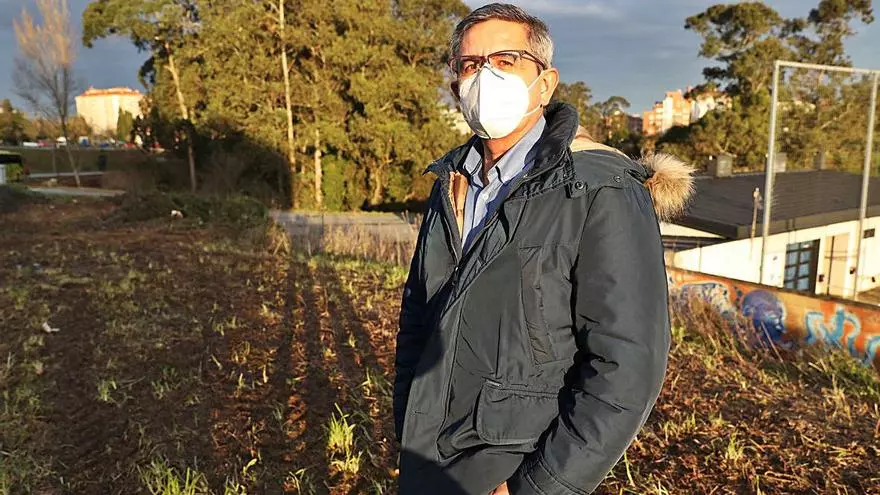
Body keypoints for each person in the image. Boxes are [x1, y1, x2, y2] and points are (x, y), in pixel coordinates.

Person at [394, 3, 695, 495]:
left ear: (546, 83)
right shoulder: (452, 183)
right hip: (428, 458)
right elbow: (418, 315)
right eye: (471, 65)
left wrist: (538, 485)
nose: (485, 77)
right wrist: (407, 420)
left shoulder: (600, 189)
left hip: (514, 468)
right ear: (455, 86)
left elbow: (626, 366)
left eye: (506, 60)